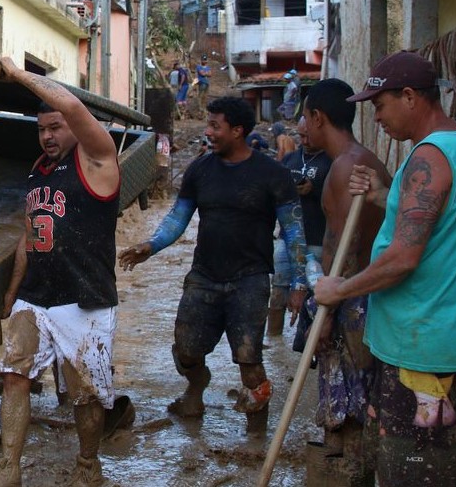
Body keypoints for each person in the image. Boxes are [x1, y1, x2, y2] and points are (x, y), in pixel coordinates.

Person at [315, 51, 456, 486]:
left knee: (413, 466)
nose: (375, 117)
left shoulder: (428, 158)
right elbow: (435, 220)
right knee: (431, 452)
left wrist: (340, 289)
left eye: (379, 104)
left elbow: (402, 258)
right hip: (439, 337)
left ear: (411, 97)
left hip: (421, 343)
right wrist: (383, 195)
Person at [119, 97, 308, 436]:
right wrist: (152, 245)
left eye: (214, 126)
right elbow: (178, 217)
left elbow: (293, 231)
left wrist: (298, 283)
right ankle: (196, 388)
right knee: (186, 350)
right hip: (204, 277)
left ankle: (255, 436)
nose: (208, 133)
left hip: (250, 281)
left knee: (250, 362)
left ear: (237, 131)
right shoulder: (200, 170)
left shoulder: (273, 175)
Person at [0, 57, 121, 486]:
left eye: (55, 127)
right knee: (14, 375)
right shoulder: (37, 172)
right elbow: (30, 234)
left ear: (74, 127)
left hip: (85, 297)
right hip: (36, 296)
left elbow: (77, 111)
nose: (47, 136)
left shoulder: (98, 159)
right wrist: (8, 297)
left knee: (86, 394)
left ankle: (87, 465)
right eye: (41, 129)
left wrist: (18, 73)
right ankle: (9, 467)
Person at [301, 78, 393, 480]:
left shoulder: (344, 167)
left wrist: (329, 313)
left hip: (349, 300)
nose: (302, 128)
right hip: (369, 297)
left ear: (318, 117)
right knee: (361, 401)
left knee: (351, 403)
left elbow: (344, 249)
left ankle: (351, 474)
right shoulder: (370, 161)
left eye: (305, 118)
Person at [267, 116, 331, 338]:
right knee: (278, 293)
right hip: (286, 239)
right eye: (301, 135)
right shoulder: (290, 160)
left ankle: (312, 342)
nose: (304, 140)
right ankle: (273, 343)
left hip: (318, 240)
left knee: (317, 297)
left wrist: (314, 190)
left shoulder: (332, 161)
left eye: (308, 135)